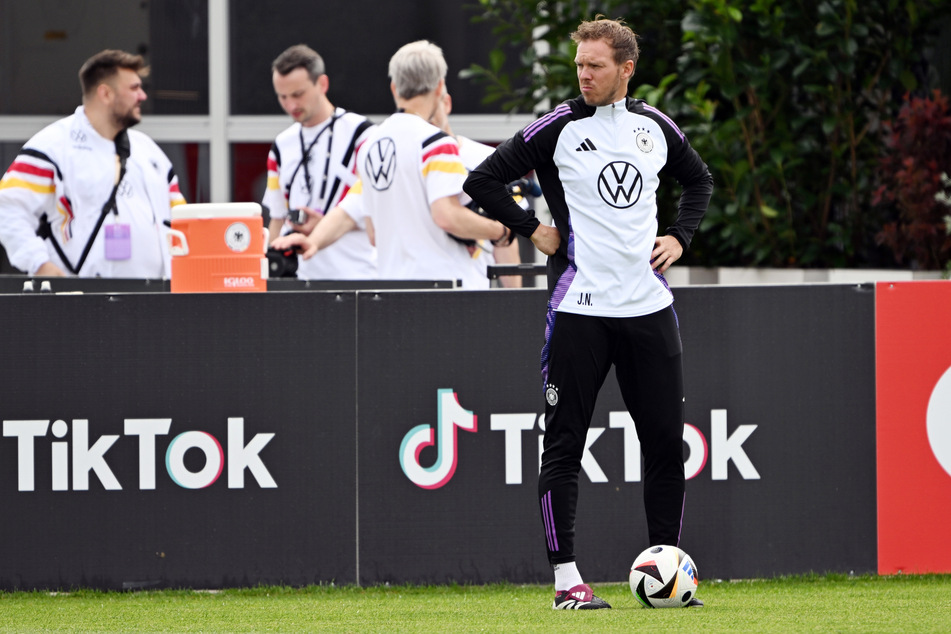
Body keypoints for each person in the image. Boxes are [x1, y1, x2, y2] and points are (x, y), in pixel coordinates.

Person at [464, 17, 713, 609]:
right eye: (579, 64)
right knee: (564, 445)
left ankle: (667, 573)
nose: (584, 74)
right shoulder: (559, 125)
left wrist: (679, 236)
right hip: (579, 310)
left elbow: (698, 180)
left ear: (626, 69)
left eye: (595, 65)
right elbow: (484, 179)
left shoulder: (655, 127)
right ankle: (566, 583)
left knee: (662, 443)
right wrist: (531, 229)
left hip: (649, 309)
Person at [272, 40, 510, 289]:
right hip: (449, 290)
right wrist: (501, 232)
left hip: (392, 290)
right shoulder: (437, 143)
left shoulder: (370, 147)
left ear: (394, 88)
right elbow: (447, 216)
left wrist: (313, 242)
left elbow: (362, 222)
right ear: (440, 86)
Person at [0, 49, 187, 278]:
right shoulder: (52, 147)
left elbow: (184, 221)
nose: (142, 96)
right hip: (80, 302)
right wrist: (40, 264)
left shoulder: (151, 153)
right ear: (105, 93)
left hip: (156, 302)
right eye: (134, 88)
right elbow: (7, 209)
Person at [263, 44, 376, 280]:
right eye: (282, 97)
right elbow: (277, 217)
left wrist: (324, 224)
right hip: (299, 278)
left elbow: (373, 209)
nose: (291, 105)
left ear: (322, 84)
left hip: (356, 276)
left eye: (298, 94)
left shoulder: (363, 134)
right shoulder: (281, 146)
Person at [429, 91, 524, 289]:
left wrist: (515, 299)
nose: (426, 118)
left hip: (474, 290)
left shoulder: (488, 159)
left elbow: (507, 239)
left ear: (446, 102)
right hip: (417, 290)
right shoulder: (405, 163)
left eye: (431, 106)